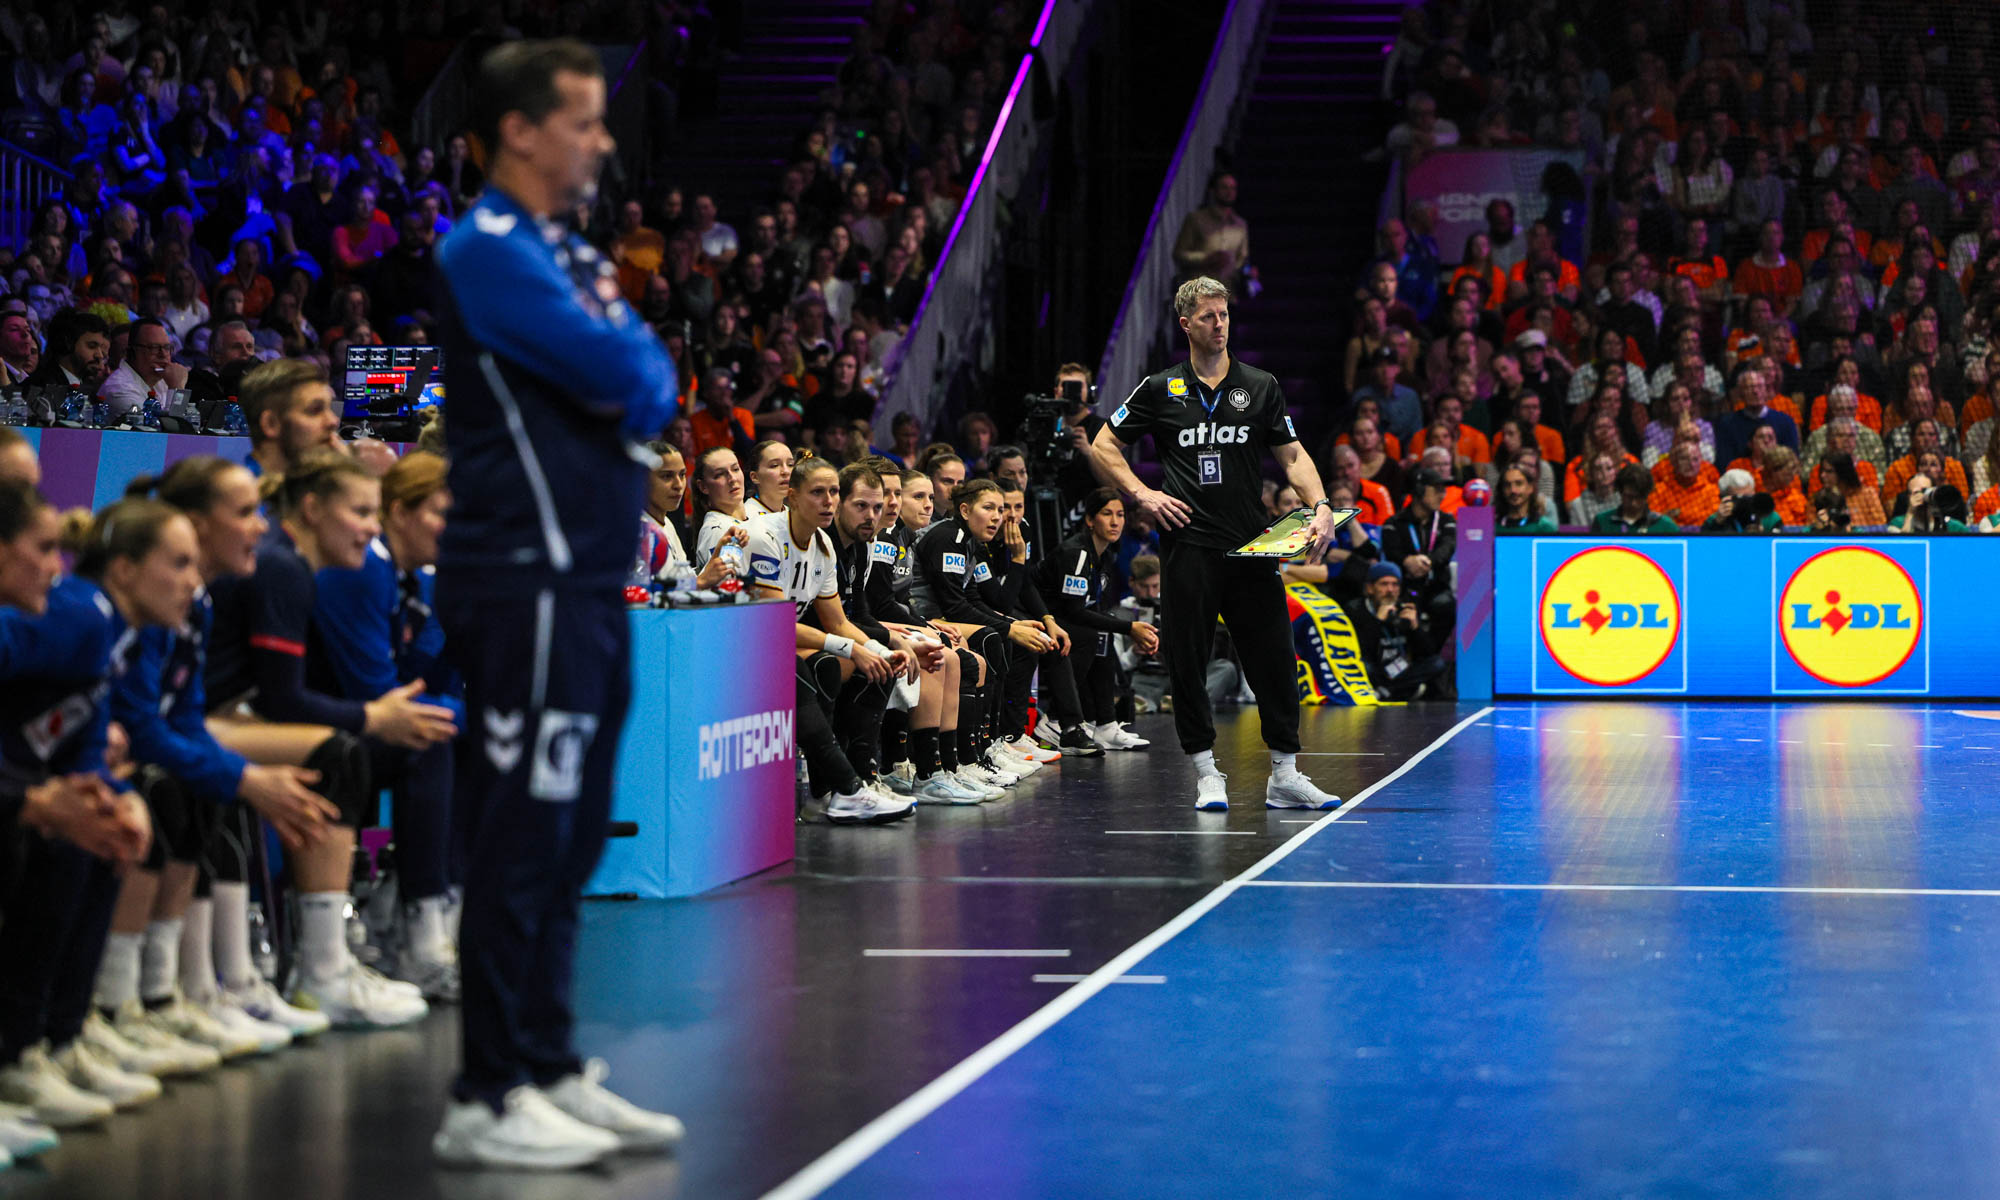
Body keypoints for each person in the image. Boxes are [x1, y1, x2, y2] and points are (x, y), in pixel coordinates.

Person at [430, 40, 685, 1170]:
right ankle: (485, 1090)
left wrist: (621, 377)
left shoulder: (566, 252)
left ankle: (542, 1061)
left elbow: (649, 374)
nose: (603, 141)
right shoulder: (483, 250)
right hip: (521, 579)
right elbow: (622, 375)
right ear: (522, 131)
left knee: (574, 829)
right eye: (583, 121)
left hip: (583, 579)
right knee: (521, 832)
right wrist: (619, 379)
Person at [1091, 276, 1343, 812]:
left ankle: (1285, 773)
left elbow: (1293, 456)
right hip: (1188, 548)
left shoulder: (1259, 385)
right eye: (1208, 317)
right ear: (1186, 324)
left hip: (1252, 547)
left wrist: (1321, 505)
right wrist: (1142, 495)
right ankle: (1206, 771)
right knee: (1189, 659)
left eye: (1224, 315)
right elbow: (1103, 444)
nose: (1220, 324)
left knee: (1274, 657)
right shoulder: (1160, 388)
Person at [0, 500, 172, 1133]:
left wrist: (101, 794)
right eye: (43, 552)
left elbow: (88, 745)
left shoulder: (105, 625)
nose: (56, 569)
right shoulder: (77, 615)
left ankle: (52, 1039)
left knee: (99, 822)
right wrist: (32, 800)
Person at [309, 452, 464, 1000]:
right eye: (442, 515)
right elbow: (375, 691)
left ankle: (427, 915)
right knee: (432, 743)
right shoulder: (363, 573)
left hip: (357, 720)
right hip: (320, 728)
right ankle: (424, 937)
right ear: (400, 512)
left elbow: (434, 681)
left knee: (461, 741)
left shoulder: (413, 579)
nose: (454, 532)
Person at [745, 459, 918, 822]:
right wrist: (853, 648)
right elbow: (775, 623)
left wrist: (879, 650)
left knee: (857, 666)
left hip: (770, 644)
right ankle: (848, 789)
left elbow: (837, 620)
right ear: (792, 496)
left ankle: (829, 794)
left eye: (833, 492)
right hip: (731, 643)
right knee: (802, 668)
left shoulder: (822, 543)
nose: (828, 501)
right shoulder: (765, 536)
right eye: (817, 493)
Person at [1040, 488, 1158, 749]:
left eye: (1120, 515)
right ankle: (1055, 719)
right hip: (1040, 619)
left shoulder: (1105, 554)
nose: (1115, 521)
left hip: (1064, 618)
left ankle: (1106, 724)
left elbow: (1094, 607)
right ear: (1090, 520)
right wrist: (1129, 628)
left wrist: (1125, 628)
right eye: (1107, 514)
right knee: (1088, 634)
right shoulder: (1077, 554)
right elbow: (1072, 611)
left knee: (1102, 635)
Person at [1591, 463, 1679, 533]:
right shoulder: (1602, 522)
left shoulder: (1665, 526)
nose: (1634, 503)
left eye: (1639, 497)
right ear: (1620, 492)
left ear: (1646, 495)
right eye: (1629, 496)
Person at [1494, 463, 1556, 531]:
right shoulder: (1492, 527)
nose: (1513, 490)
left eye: (1519, 484)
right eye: (1507, 485)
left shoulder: (1544, 527)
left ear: (1530, 487)